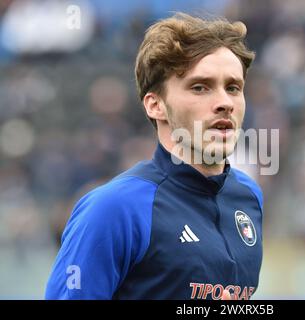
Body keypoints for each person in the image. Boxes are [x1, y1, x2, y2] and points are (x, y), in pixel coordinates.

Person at [45, 12, 263, 300]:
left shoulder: (249, 197)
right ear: (155, 105)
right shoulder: (114, 208)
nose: (224, 102)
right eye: (200, 87)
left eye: (233, 88)